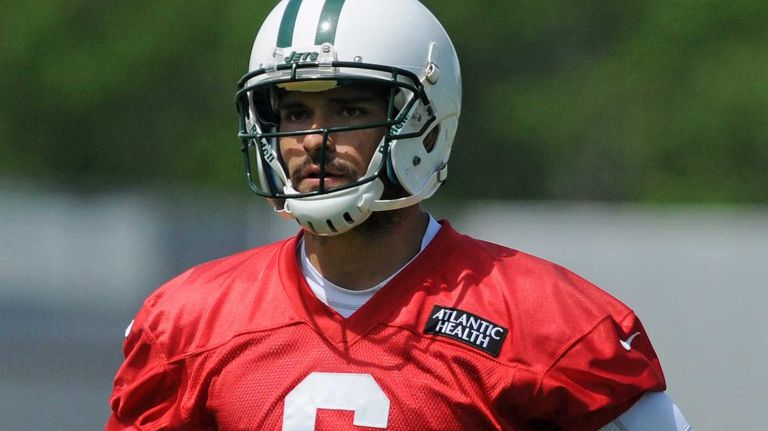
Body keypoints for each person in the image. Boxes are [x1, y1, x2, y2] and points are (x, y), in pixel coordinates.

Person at [106, 0, 692, 430]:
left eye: (348, 108)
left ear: (427, 123)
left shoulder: (549, 324)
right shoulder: (188, 323)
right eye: (293, 113)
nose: (314, 139)